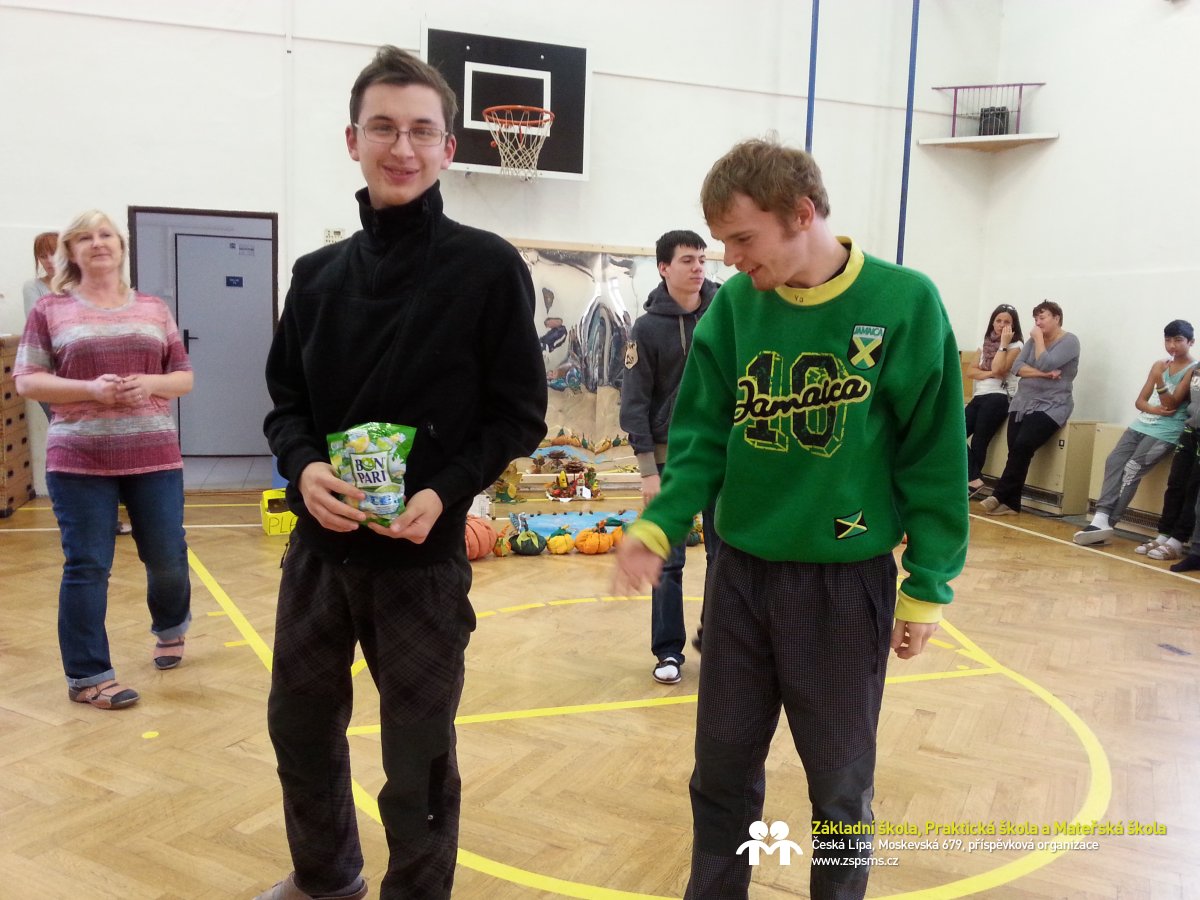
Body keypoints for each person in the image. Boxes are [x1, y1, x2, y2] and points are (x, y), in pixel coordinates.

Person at [613, 138, 969, 899]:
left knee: (840, 789)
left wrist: (927, 585)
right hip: (740, 576)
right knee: (721, 777)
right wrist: (660, 521)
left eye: (743, 238)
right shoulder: (737, 307)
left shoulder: (905, 302)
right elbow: (701, 437)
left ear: (802, 214)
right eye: (722, 242)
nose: (729, 259)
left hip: (845, 586)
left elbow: (934, 460)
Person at [257, 46, 547, 900]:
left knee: (417, 757)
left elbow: (518, 414)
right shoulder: (316, 277)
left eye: (422, 130)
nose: (402, 147)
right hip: (320, 555)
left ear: (448, 148)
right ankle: (326, 877)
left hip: (421, 563)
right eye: (383, 127)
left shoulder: (487, 268)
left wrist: (444, 490)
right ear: (353, 140)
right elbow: (285, 404)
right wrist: (303, 468)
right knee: (299, 729)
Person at [13, 210, 194, 710]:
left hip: (154, 454)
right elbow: (27, 380)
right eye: (85, 237)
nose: (98, 243)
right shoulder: (50, 309)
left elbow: (182, 377)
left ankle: (171, 626)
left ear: (121, 246)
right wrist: (90, 390)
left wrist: (148, 383)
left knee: (167, 557)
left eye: (106, 235)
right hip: (78, 458)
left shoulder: (153, 308)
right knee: (87, 566)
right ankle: (87, 675)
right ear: (70, 252)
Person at [619, 230, 721, 684]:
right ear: (663, 268)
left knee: (725, 556)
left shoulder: (725, 313)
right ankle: (668, 651)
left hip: (721, 457)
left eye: (701, 259)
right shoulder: (646, 329)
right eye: (686, 260)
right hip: (668, 461)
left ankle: (717, 638)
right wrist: (648, 470)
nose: (698, 267)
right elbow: (634, 403)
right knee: (668, 557)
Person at [22, 232, 133, 536]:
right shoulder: (34, 288)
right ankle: (80, 518)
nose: (48, 261)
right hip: (54, 382)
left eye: (53, 253)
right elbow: (41, 330)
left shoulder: (84, 286)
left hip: (90, 376)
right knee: (70, 444)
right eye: (42, 255)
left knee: (102, 442)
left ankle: (109, 515)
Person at [1074, 320, 1195, 545]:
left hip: (1165, 432)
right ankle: (1100, 518)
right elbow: (1140, 401)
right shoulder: (1160, 365)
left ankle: (1109, 523)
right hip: (1141, 424)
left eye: (1178, 340)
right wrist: (1154, 408)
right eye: (1168, 340)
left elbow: (1171, 403)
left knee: (1132, 469)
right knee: (1113, 460)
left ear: (1191, 342)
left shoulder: (1192, 368)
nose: (1172, 345)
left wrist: (1159, 380)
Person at [980, 300, 1080, 516]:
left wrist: (1038, 341)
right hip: (1022, 401)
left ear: (1056, 318)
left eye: (1042, 318)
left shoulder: (1070, 341)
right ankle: (1012, 503)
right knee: (1016, 450)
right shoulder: (1033, 342)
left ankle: (999, 494)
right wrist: (1044, 375)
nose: (1037, 323)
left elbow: (1046, 362)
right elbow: (1017, 367)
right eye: (1036, 319)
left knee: (1023, 445)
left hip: (1052, 405)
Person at [1137, 364, 1200, 562]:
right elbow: (1182, 401)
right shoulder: (1196, 368)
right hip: (1190, 432)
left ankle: (1178, 540)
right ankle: (1164, 534)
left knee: (1193, 489)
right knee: (1176, 483)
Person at [964, 304, 1023, 497]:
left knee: (979, 441)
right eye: (998, 320)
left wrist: (1004, 344)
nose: (1001, 325)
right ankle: (974, 478)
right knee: (953, 433)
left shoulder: (1016, 346)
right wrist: (990, 374)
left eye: (1006, 322)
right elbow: (970, 371)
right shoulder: (985, 343)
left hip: (999, 397)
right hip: (979, 396)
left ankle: (971, 483)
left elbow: (999, 368)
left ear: (1013, 325)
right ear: (992, 322)